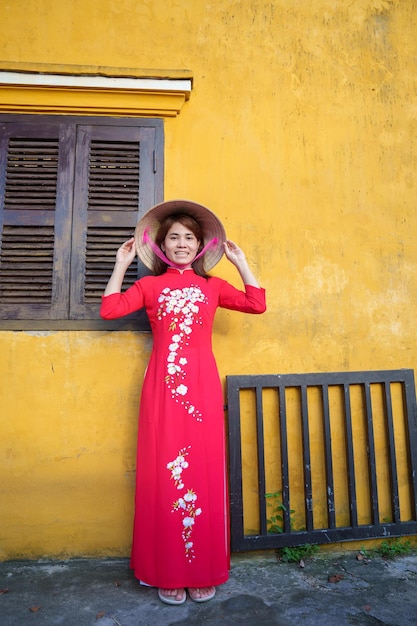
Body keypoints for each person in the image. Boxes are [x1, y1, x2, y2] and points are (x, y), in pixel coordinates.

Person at [100, 200, 266, 605]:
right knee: (164, 475)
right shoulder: (150, 286)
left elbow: (256, 303)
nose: (181, 244)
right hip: (162, 390)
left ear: (200, 245)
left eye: (189, 238)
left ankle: (202, 569)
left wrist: (241, 264)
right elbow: (110, 310)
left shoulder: (211, 286)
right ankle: (167, 572)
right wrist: (121, 265)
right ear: (160, 246)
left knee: (204, 473)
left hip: (203, 388)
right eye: (173, 237)